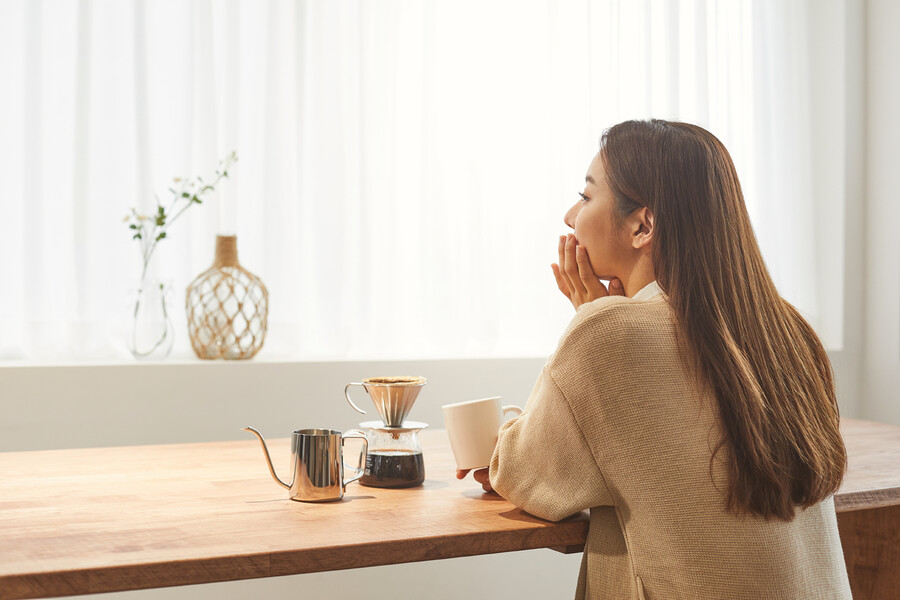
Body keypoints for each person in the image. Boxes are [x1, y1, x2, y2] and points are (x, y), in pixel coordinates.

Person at [457, 120, 852, 599]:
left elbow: (522, 474)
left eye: (584, 198)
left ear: (642, 225)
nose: (569, 217)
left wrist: (592, 317)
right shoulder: (789, 333)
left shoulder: (607, 334)